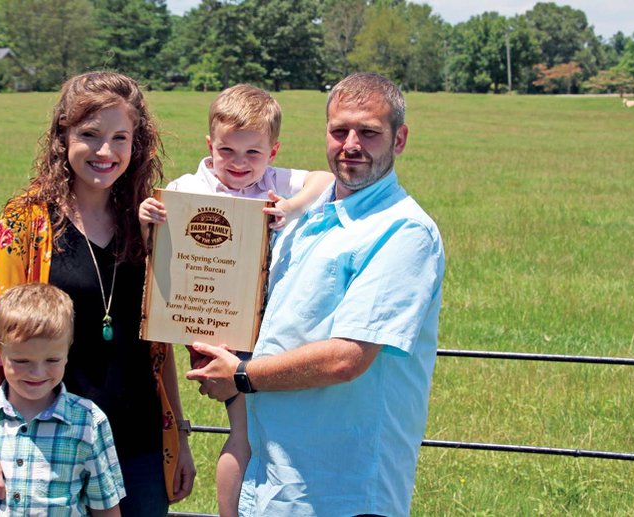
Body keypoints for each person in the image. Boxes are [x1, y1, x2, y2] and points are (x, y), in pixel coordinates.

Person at [185, 72, 445, 516]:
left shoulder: (403, 231)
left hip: (339, 488)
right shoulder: (306, 214)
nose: (351, 144)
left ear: (399, 139)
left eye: (369, 132)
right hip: (272, 480)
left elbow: (348, 358)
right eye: (339, 130)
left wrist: (242, 375)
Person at [0, 71, 195, 517]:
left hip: (140, 445)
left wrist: (179, 434)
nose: (105, 152)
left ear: (136, 143)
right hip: (49, 443)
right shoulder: (25, 223)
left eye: (120, 138)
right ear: (62, 137)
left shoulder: (150, 220)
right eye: (90, 135)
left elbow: (156, 342)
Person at [138, 83, 332, 516]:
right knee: (244, 430)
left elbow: (326, 180)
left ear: (274, 151)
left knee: (267, 430)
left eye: (253, 154)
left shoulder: (274, 182)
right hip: (213, 326)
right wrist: (147, 217)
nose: (240, 164)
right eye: (227, 151)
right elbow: (157, 245)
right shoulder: (189, 187)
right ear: (210, 145)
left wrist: (292, 206)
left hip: (266, 323)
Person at [0, 283, 125, 516]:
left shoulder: (88, 422)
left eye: (51, 360)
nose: (37, 373)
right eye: (22, 361)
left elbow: (106, 508)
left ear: (67, 353)